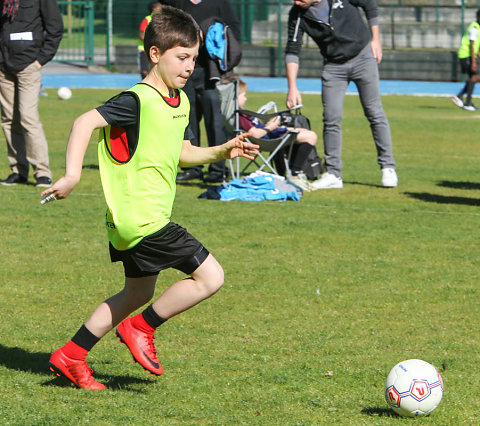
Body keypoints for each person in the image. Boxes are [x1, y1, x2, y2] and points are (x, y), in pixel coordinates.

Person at [42, 7, 257, 390]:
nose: (190, 66)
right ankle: (140, 329)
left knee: (138, 291)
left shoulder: (180, 101)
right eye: (181, 57)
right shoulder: (137, 100)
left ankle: (71, 354)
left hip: (135, 221)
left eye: (194, 57)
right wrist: (72, 176)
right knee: (210, 277)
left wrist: (222, 151)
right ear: (155, 54)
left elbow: (182, 152)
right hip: (144, 220)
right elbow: (84, 122)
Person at [285, 0, 398, 189]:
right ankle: (333, 174)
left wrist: (376, 39)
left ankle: (388, 167)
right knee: (331, 118)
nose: (297, 2)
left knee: (374, 112)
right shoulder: (297, 14)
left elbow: (369, 4)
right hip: (333, 67)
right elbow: (292, 50)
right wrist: (292, 86)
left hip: (363, 57)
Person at [164, 0, 241, 183]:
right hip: (185, 70)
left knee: (215, 121)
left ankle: (218, 168)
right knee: (187, 119)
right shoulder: (179, 3)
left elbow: (234, 31)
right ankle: (193, 167)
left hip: (212, 72)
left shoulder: (220, 3)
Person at [0, 0, 63, 188]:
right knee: (9, 119)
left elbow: (55, 29)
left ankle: (43, 173)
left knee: (28, 117)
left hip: (29, 65)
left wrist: (40, 60)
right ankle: (18, 171)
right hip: (3, 66)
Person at [235, 78, 318, 192]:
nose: (246, 98)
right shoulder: (240, 116)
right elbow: (255, 134)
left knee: (303, 131)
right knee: (311, 136)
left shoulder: (239, 114)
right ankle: (295, 173)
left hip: (268, 135)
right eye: (243, 96)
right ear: (235, 97)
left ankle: (294, 172)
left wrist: (268, 125)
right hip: (267, 140)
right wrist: (271, 127)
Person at [451, 9, 480, 112]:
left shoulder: (478, 27)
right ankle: (467, 103)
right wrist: (474, 62)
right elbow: (471, 45)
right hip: (465, 56)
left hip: (468, 56)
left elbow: (475, 47)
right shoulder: (475, 28)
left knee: (475, 78)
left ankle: (460, 97)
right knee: (475, 77)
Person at [138, 1, 162, 80]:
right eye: (160, 7)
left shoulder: (163, 20)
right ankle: (144, 85)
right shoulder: (147, 20)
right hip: (144, 50)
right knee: (144, 71)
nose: (162, 8)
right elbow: (141, 35)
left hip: (158, 50)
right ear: (154, 9)